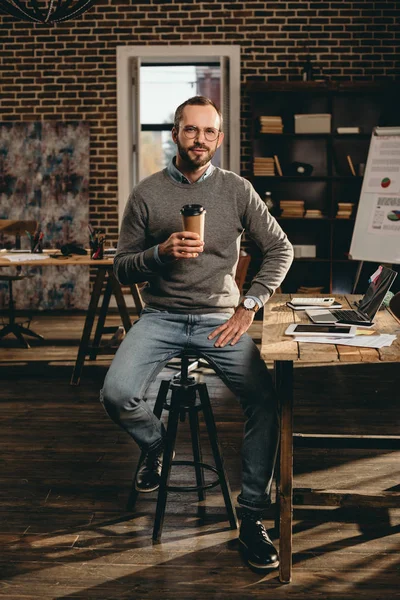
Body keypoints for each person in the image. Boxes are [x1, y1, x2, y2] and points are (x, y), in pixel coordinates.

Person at [101, 96, 293, 571]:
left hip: (219, 319)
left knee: (265, 403)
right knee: (116, 393)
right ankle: (155, 444)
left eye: (209, 132)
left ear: (219, 138)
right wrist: (160, 253)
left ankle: (251, 517)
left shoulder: (236, 189)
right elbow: (122, 270)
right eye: (191, 130)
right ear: (175, 134)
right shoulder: (146, 193)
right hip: (161, 315)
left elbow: (280, 249)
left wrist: (250, 305)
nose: (200, 139)